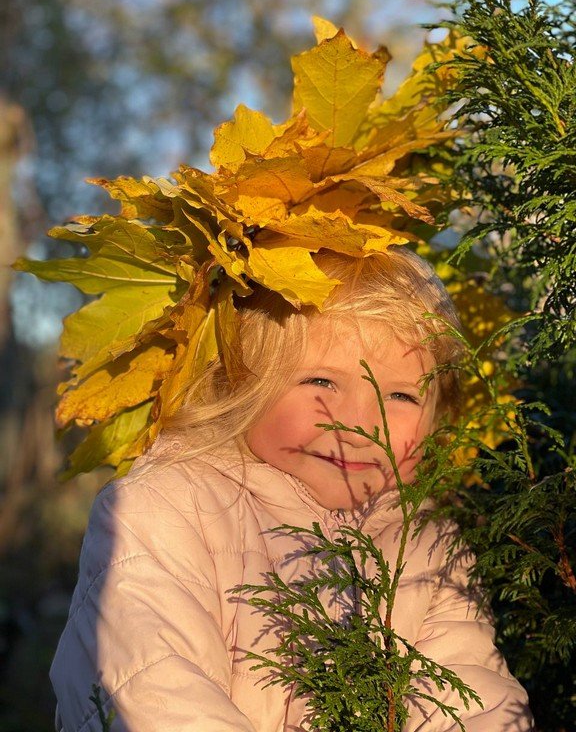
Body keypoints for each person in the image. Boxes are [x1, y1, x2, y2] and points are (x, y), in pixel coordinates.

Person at [50, 246, 534, 731]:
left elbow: (473, 701)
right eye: (320, 381)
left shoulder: (427, 544)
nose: (361, 424)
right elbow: (152, 691)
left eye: (402, 395)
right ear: (240, 385)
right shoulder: (167, 507)